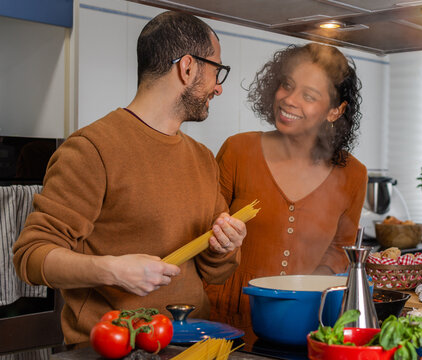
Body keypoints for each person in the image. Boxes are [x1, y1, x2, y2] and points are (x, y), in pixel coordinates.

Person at [12, 11, 246, 346]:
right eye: (216, 70)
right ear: (188, 67)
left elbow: (214, 272)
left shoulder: (203, 158)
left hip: (190, 343)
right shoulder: (92, 149)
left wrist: (225, 247)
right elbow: (30, 256)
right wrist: (112, 270)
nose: (218, 87)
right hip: (111, 349)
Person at [205, 43, 368, 332]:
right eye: (286, 85)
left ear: (335, 111)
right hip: (223, 314)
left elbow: (340, 250)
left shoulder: (353, 173)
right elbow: (206, 228)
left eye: (308, 95)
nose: (289, 100)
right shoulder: (239, 150)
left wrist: (303, 291)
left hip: (303, 318)